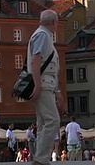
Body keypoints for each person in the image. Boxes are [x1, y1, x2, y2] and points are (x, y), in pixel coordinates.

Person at [28, 10, 64, 165]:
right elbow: (35, 61)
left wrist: (57, 92)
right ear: (54, 23)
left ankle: (40, 157)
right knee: (53, 120)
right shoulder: (42, 36)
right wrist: (37, 84)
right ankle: (41, 159)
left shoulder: (43, 35)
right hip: (43, 84)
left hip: (47, 84)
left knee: (43, 122)